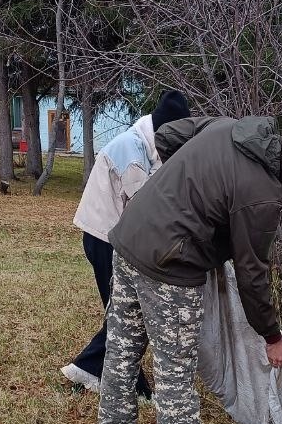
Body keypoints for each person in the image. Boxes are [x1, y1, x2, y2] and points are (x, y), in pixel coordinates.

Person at [94, 116, 282, 424]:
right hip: (170, 264)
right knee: (175, 364)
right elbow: (253, 274)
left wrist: (188, 186)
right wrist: (272, 337)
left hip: (130, 235)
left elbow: (167, 135)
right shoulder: (261, 194)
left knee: (122, 348)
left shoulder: (229, 127)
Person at [61, 89, 190, 395]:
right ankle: (101, 374)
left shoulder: (146, 145)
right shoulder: (132, 152)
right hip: (104, 238)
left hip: (114, 237)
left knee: (123, 311)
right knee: (124, 313)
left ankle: (102, 372)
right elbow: (143, 209)